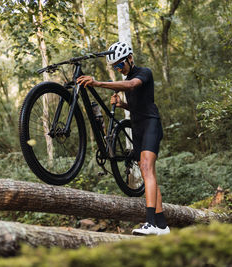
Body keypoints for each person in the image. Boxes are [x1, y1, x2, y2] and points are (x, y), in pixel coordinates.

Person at [77, 41, 170, 235]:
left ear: (130, 58)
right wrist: (122, 106)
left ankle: (151, 222)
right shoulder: (126, 76)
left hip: (150, 123)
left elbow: (131, 85)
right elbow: (136, 104)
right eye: (115, 67)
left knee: (146, 167)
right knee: (148, 173)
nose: (119, 69)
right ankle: (162, 225)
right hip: (136, 125)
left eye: (121, 64)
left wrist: (98, 83)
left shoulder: (144, 73)